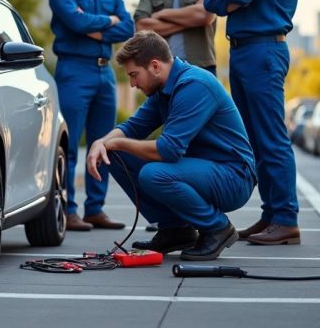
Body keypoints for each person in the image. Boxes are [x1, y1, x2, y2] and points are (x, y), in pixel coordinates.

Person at [86, 31, 255, 260]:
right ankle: (175, 230)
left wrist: (116, 142)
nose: (133, 83)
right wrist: (101, 143)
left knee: (154, 174)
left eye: (134, 75)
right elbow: (133, 126)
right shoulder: (163, 88)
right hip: (203, 170)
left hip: (233, 177)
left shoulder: (194, 85)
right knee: (112, 154)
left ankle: (218, 228)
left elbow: (168, 150)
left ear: (155, 66)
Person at [203, 0, 302, 245]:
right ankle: (271, 214)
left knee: (272, 138)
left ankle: (287, 219)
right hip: (242, 51)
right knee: (255, 140)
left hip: (264, 50)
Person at [49, 0, 135, 231]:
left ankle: (95, 209)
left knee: (105, 143)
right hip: (74, 70)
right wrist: (106, 22)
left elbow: (128, 27)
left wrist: (93, 25)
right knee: (70, 144)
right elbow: (73, 20)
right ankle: (68, 209)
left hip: (105, 71)